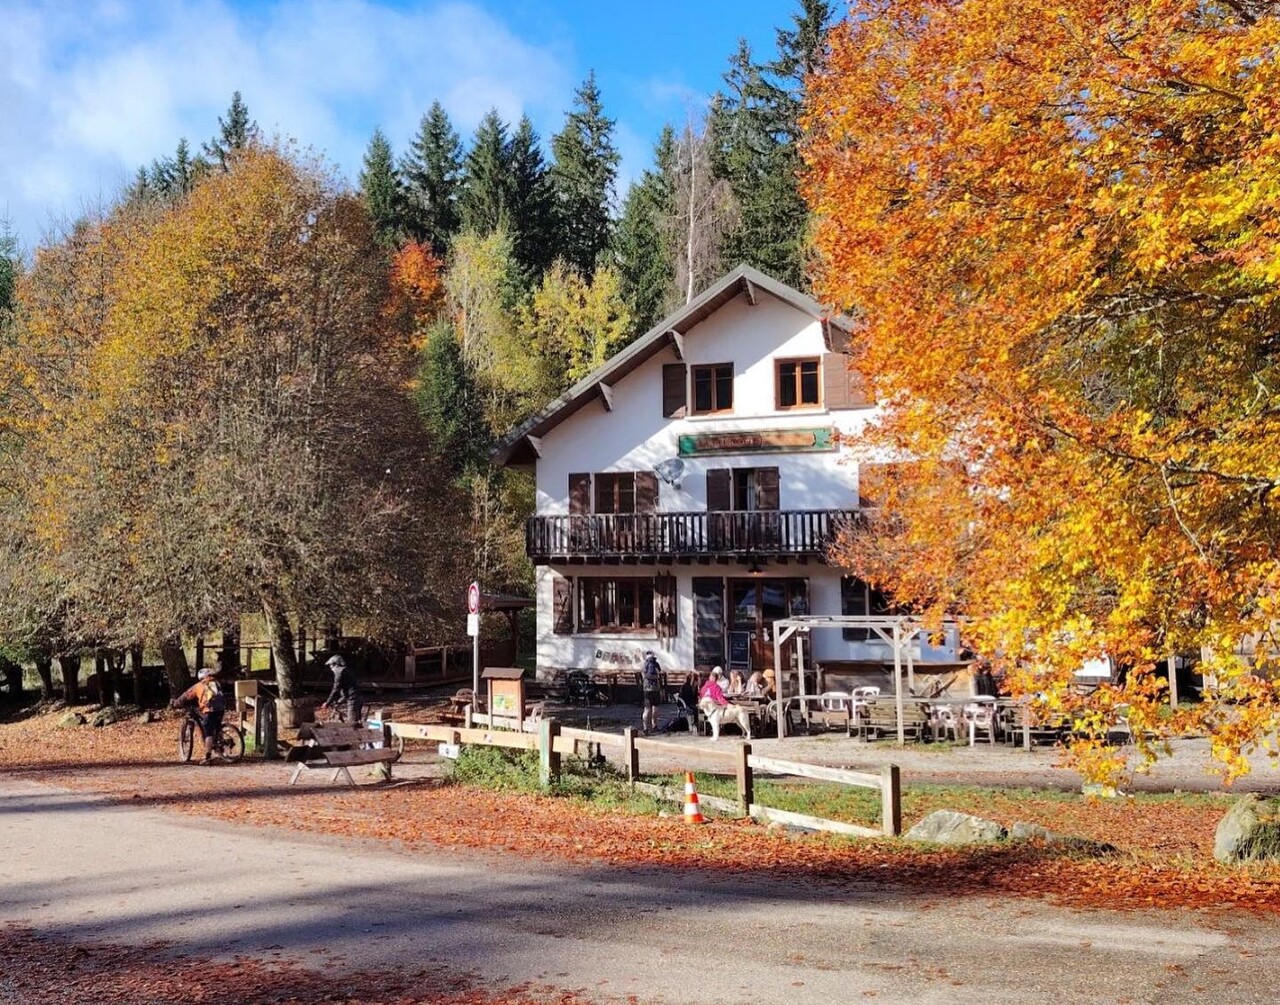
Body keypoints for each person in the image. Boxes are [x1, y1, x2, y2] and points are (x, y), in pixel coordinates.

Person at [173, 667, 226, 765]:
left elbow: (186, 695)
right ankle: (220, 748)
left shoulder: (199, 685)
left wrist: (176, 703)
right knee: (216, 727)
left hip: (209, 710)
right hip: (221, 709)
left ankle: (207, 757)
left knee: (208, 733)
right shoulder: (216, 683)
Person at [322, 654, 363, 724]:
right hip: (357, 697)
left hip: (353, 699)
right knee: (357, 721)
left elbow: (335, 689)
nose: (330, 668)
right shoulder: (346, 670)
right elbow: (348, 688)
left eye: (331, 665)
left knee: (352, 724)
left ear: (335, 665)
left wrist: (327, 702)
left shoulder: (339, 672)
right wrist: (340, 700)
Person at [640, 650, 663, 734]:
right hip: (656, 689)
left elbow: (643, 676)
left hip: (647, 690)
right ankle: (655, 725)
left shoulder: (644, 664)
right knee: (655, 707)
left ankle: (645, 728)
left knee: (647, 709)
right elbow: (659, 674)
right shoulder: (655, 664)